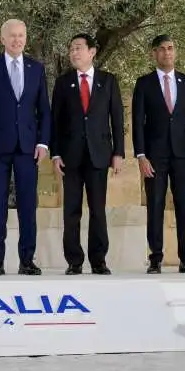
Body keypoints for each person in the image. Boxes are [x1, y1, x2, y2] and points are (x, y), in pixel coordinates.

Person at [0, 19, 50, 276]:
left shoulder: (36, 69)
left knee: (28, 204)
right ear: (2, 39)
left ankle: (27, 260)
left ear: (26, 38)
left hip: (28, 147)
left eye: (21, 36)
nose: (17, 40)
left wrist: (42, 142)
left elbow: (44, 110)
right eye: (12, 36)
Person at [51, 34, 124, 275]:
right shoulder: (63, 83)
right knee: (71, 210)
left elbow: (117, 119)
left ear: (92, 51)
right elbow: (56, 122)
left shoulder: (108, 81)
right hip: (70, 157)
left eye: (79, 48)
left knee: (97, 209)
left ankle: (98, 260)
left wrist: (119, 153)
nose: (74, 53)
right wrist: (55, 153)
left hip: (99, 155)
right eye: (71, 49)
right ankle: (74, 261)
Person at [132, 35, 185, 275]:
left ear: (176, 52)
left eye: (171, 48)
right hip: (154, 157)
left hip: (183, 155)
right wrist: (141, 156)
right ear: (154, 53)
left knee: (184, 206)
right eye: (161, 49)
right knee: (155, 206)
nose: (167, 53)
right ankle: (155, 258)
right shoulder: (143, 83)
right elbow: (138, 123)